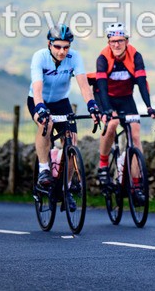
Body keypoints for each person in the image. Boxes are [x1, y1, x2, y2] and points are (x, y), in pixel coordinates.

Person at [90, 23, 155, 205]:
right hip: (105, 97)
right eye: (113, 41)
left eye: (120, 41)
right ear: (108, 42)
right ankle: (104, 164)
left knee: (135, 136)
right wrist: (106, 111)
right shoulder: (103, 58)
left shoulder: (135, 56)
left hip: (126, 98)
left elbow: (142, 83)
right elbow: (102, 89)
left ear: (127, 41)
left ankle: (136, 186)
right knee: (112, 124)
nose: (116, 45)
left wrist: (149, 107)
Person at [29, 25, 100, 203]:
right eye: (58, 46)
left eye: (66, 47)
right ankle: (44, 169)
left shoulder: (74, 57)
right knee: (46, 124)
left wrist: (92, 105)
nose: (62, 51)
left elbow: (84, 86)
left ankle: (65, 188)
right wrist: (40, 108)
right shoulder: (40, 57)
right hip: (39, 101)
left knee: (71, 144)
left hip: (61, 102)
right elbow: (37, 88)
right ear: (49, 44)